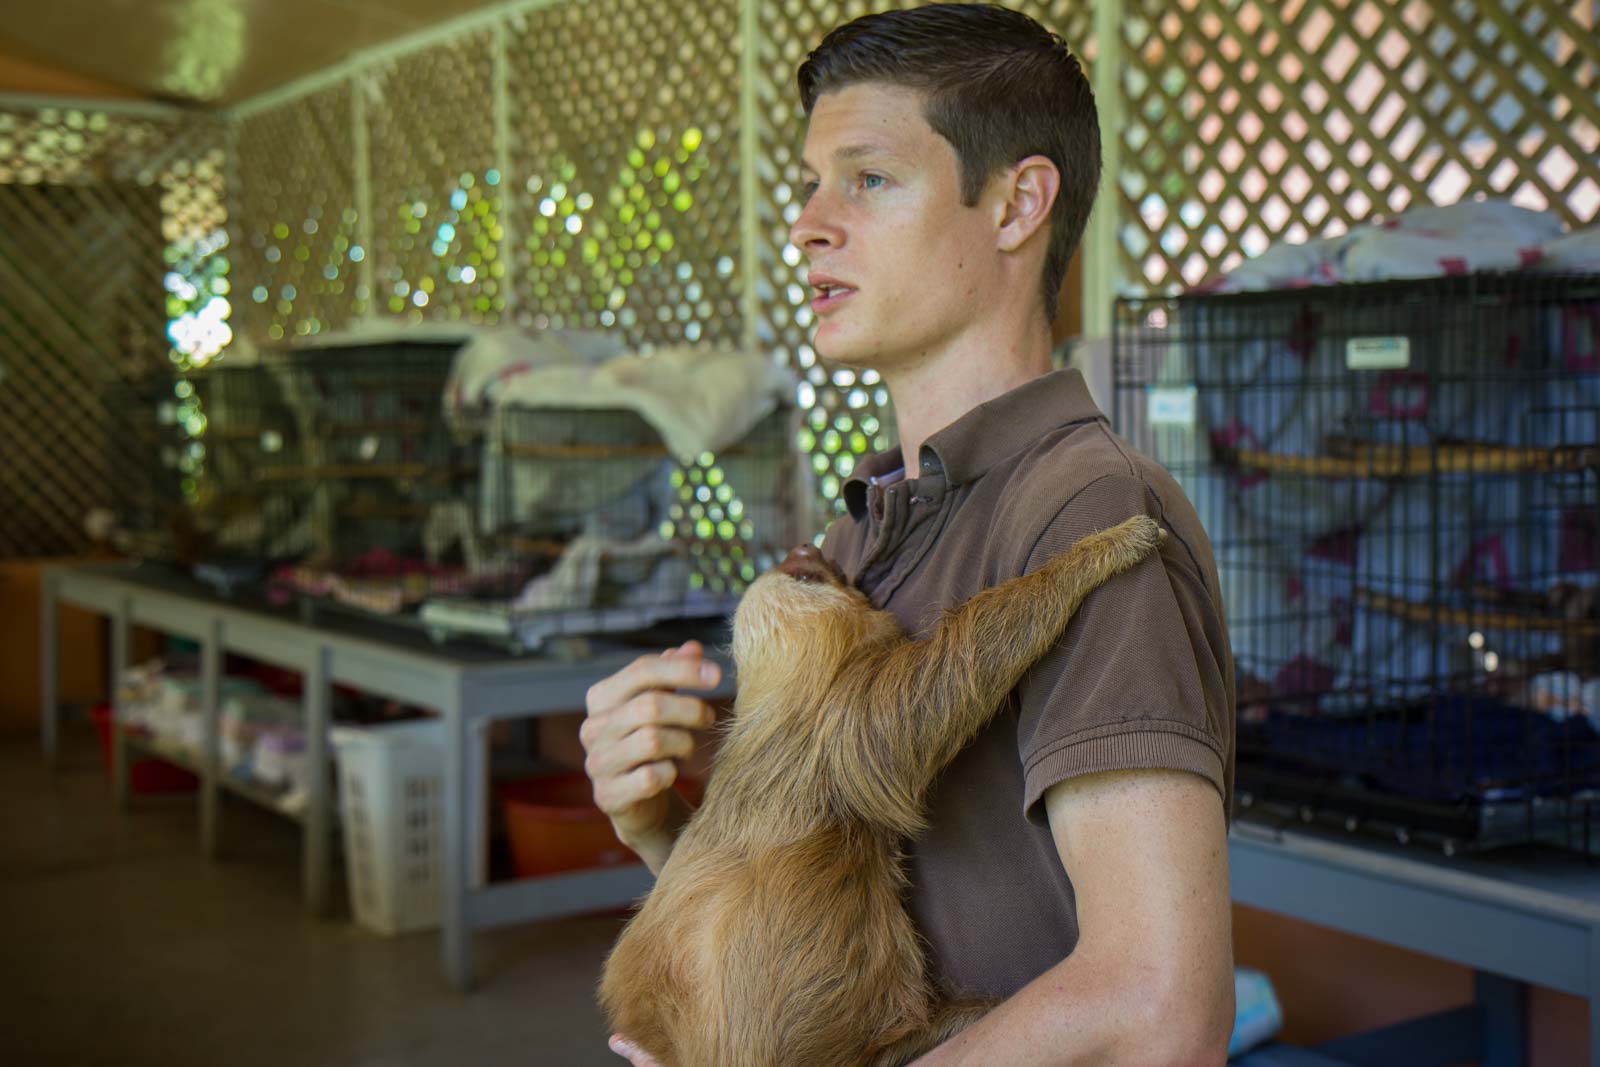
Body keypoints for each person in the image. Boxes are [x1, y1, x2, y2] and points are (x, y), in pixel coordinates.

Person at [581, 5, 1237, 1064]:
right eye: (808, 184)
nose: (807, 223)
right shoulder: (859, 544)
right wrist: (664, 822)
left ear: (1018, 203)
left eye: (868, 178)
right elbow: (810, 956)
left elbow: (1158, 1005)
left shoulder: (1086, 511)